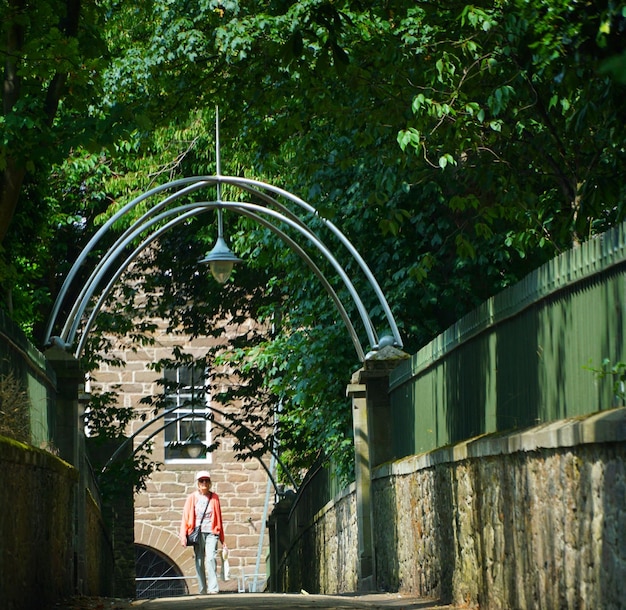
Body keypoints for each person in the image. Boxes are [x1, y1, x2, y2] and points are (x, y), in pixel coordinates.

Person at [180, 470, 226, 595]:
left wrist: (223, 539)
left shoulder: (214, 498)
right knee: (199, 561)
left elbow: (219, 519)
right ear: (198, 483)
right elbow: (185, 517)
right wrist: (183, 536)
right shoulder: (192, 498)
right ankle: (202, 589)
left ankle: (213, 588)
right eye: (201, 480)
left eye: (206, 480)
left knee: (211, 558)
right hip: (197, 533)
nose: (204, 483)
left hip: (211, 532)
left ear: (210, 483)